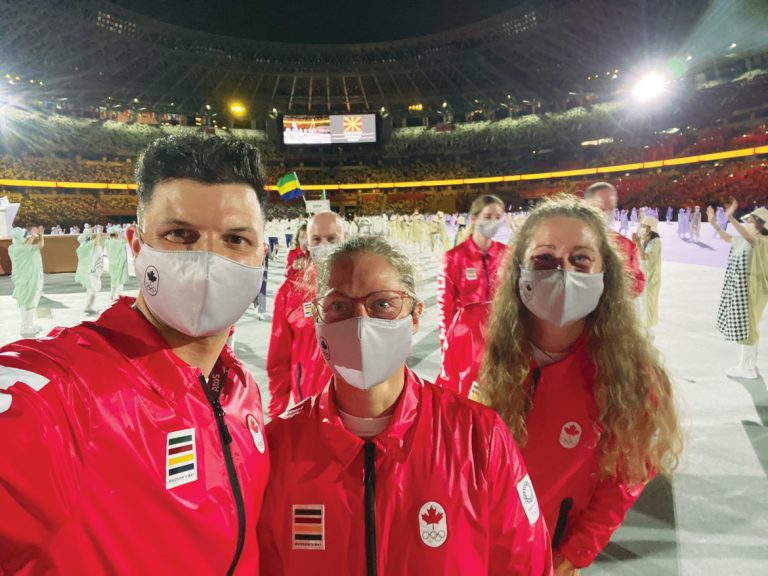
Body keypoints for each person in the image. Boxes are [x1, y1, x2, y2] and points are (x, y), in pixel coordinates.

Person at [0, 134, 271, 574]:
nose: (207, 258)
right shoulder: (65, 393)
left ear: (262, 254)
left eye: (236, 239)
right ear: (135, 243)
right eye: (179, 234)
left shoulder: (241, 392)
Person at [258, 235, 553, 575]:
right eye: (339, 306)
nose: (360, 323)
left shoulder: (478, 439)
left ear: (415, 317)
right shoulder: (279, 446)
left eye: (382, 304)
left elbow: (524, 564)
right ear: (317, 319)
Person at [477, 194, 682, 575]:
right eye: (545, 258)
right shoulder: (474, 342)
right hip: (462, 546)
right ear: (519, 269)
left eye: (580, 259)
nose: (563, 271)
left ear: (605, 274)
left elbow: (625, 477)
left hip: (546, 557)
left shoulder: (629, 374)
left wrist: (572, 554)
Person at [266, 211, 342, 419]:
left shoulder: (365, 285)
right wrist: (277, 413)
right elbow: (278, 359)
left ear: (344, 240)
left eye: (332, 239)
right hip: (311, 403)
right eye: (317, 239)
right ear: (307, 243)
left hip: (361, 407)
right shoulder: (291, 291)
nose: (324, 245)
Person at [435, 194, 508, 397]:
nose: (493, 221)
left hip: (500, 332)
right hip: (466, 339)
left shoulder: (507, 254)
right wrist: (446, 346)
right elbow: (444, 307)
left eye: (497, 217)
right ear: (474, 218)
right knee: (468, 393)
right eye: (488, 216)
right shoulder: (454, 257)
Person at [710, 200, 768, 379]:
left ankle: (747, 368)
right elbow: (729, 238)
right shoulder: (746, 239)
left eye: (749, 220)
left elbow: (749, 239)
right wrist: (713, 222)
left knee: (749, 327)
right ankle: (749, 363)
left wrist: (730, 218)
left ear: (759, 224)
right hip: (744, 288)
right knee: (747, 327)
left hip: (752, 289)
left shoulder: (762, 240)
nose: (746, 224)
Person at [583, 182, 645, 298]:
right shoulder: (568, 239)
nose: (607, 213)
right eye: (601, 208)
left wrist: (627, 282)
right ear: (586, 207)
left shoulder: (626, 245)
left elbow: (638, 282)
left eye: (611, 208)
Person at [9, 226, 45, 337]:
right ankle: (25, 327)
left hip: (28, 278)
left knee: (27, 302)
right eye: (24, 235)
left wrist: (40, 235)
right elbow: (26, 247)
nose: (26, 237)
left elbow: (40, 246)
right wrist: (34, 235)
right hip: (26, 279)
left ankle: (28, 325)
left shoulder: (19, 247)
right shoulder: (15, 248)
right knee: (29, 302)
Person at [633, 216, 662, 330]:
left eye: (644, 226)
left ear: (651, 229)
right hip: (644, 275)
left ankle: (649, 329)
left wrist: (638, 244)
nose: (642, 228)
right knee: (642, 302)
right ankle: (643, 326)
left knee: (649, 303)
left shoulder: (655, 242)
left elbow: (645, 257)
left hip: (651, 278)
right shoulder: (645, 240)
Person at [75, 223, 105, 314]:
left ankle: (88, 305)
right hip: (92, 271)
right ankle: (89, 307)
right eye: (91, 234)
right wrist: (99, 232)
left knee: (90, 289)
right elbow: (96, 242)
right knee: (94, 289)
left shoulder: (83, 246)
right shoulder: (89, 245)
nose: (93, 235)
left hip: (89, 271)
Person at [105, 224, 129, 300]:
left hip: (111, 264)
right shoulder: (119, 243)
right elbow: (127, 241)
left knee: (113, 279)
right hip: (119, 264)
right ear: (116, 234)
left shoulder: (107, 242)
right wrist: (121, 235)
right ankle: (119, 295)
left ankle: (112, 294)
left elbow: (108, 237)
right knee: (120, 279)